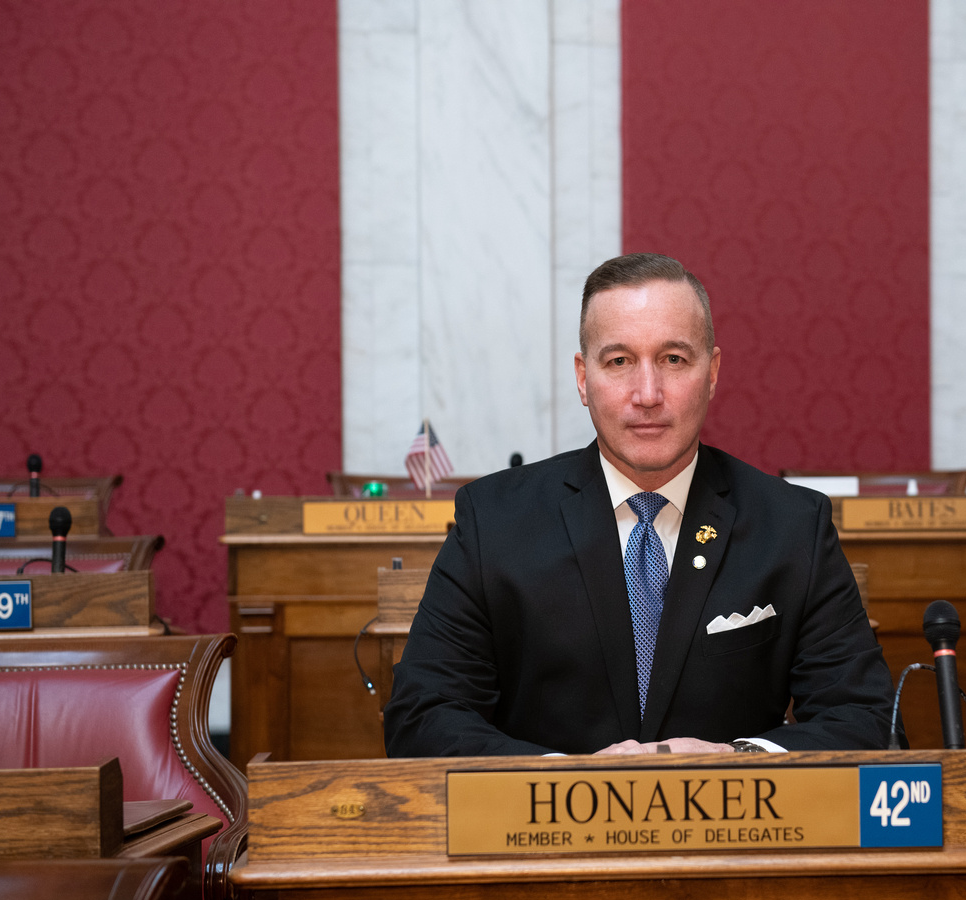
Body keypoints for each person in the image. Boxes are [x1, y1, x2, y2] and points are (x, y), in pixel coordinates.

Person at [383, 253, 896, 756]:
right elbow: (423, 715)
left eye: (674, 359)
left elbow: (864, 717)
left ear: (712, 372)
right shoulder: (493, 520)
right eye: (619, 361)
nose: (647, 393)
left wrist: (738, 759)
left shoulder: (792, 525)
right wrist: (560, 782)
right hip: (544, 831)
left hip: (734, 831)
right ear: (584, 379)